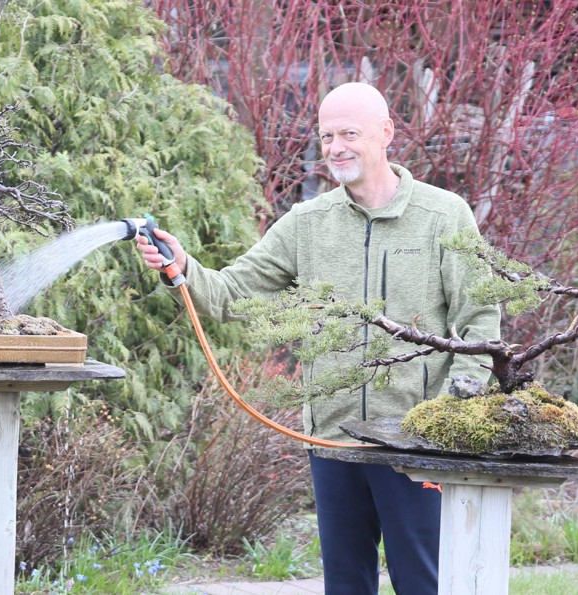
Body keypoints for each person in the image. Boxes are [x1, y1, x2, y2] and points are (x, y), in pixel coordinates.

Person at [136, 82, 501, 594]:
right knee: (346, 585)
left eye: (348, 133)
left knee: (425, 583)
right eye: (327, 137)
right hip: (332, 442)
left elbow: (481, 318)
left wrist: (449, 415)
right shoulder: (307, 223)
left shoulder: (444, 215)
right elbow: (230, 293)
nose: (336, 148)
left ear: (386, 133)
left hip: (418, 444)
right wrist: (183, 267)